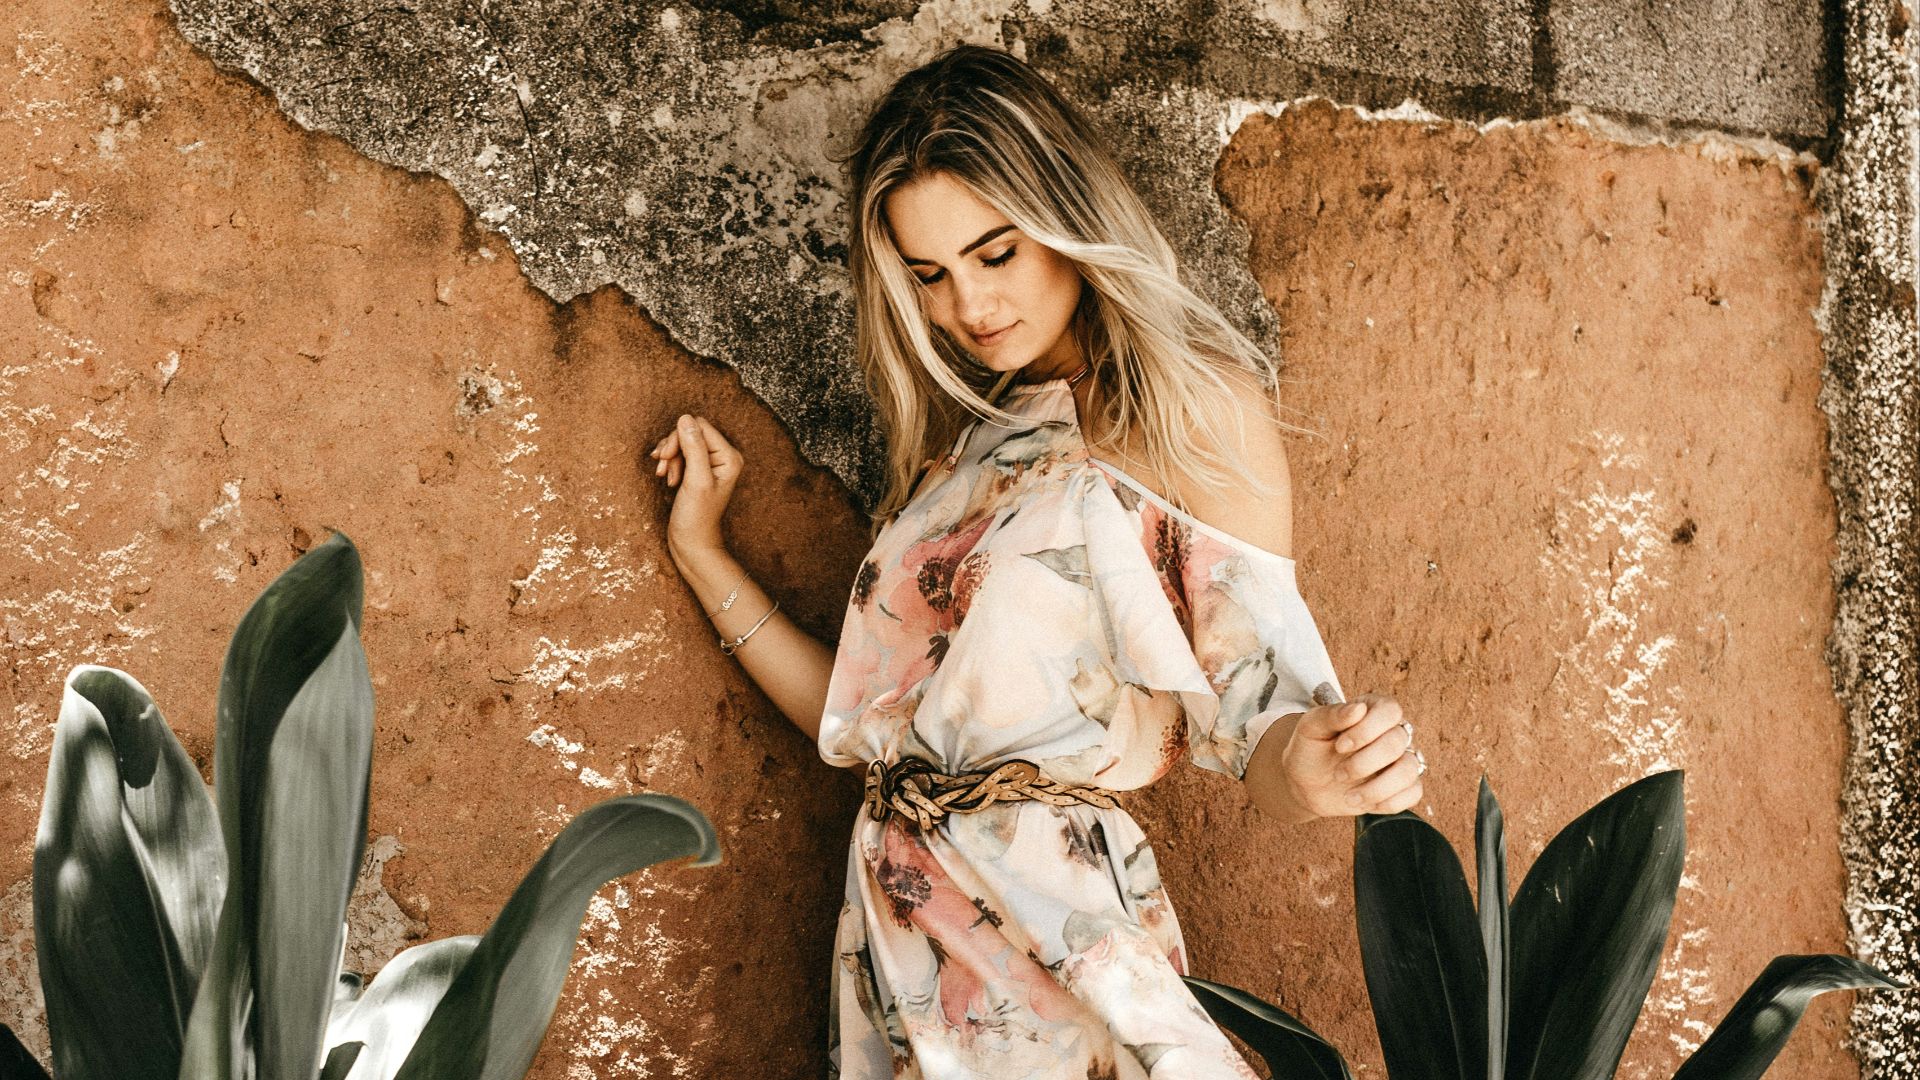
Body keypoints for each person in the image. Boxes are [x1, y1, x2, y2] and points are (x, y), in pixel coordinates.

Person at [647, 43, 1424, 1080]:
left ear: (1067, 217)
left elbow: (1262, 730)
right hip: (899, 938)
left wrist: (1326, 767)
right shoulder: (959, 442)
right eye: (929, 274)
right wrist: (702, 554)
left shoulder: (1190, 416)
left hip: (1049, 939)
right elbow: (879, 738)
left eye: (996, 252)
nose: (968, 304)